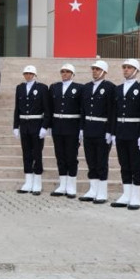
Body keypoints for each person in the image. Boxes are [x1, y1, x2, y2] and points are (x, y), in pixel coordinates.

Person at [110, 59, 140, 210]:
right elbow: (114, 112)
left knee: (136, 165)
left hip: (135, 131)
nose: (126, 70)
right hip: (121, 130)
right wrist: (113, 132)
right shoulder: (118, 89)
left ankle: (136, 196)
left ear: (136, 70)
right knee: (124, 164)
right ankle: (126, 194)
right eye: (125, 67)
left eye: (129, 68)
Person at [78, 60, 115, 204]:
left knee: (101, 161)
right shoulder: (86, 87)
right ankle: (93, 189)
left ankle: (102, 192)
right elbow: (82, 110)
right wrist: (81, 128)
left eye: (97, 69)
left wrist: (109, 131)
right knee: (90, 160)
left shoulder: (110, 87)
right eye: (93, 69)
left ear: (104, 72)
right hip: (88, 128)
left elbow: (112, 111)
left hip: (102, 128)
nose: (94, 71)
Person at [13, 65, 50, 195]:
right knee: (26, 153)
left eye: (30, 73)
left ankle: (37, 182)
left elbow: (47, 109)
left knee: (37, 154)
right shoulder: (20, 88)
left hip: (37, 124)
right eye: (26, 74)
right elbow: (17, 108)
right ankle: (28, 181)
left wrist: (45, 126)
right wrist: (15, 126)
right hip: (24, 124)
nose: (27, 76)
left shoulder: (42, 88)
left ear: (35, 75)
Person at [48, 64, 84, 198]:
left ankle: (71, 185)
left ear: (72, 74)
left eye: (67, 72)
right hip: (58, 126)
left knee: (71, 156)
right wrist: (49, 126)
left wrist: (81, 128)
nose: (64, 74)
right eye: (62, 71)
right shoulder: (54, 87)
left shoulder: (79, 88)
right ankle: (62, 184)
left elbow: (82, 109)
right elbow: (50, 108)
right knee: (60, 155)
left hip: (72, 126)